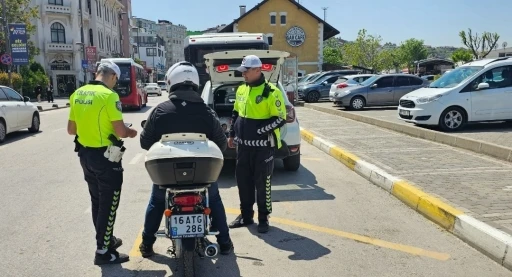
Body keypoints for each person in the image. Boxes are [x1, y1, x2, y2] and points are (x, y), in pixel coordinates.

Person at [138, 61, 234, 257]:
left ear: (171, 82)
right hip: (202, 173)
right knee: (213, 199)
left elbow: (145, 142)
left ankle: (147, 244)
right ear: (195, 83)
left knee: (157, 200)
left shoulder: (160, 110)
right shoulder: (207, 112)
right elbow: (222, 144)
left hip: (167, 175)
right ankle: (224, 242)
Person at [67, 60, 138, 265]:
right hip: (106, 158)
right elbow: (121, 131)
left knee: (97, 201)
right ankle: (103, 252)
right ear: (113, 77)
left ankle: (105, 241)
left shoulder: (77, 94)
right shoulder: (109, 96)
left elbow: (71, 130)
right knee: (109, 203)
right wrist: (131, 132)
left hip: (85, 156)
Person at [227, 55, 287, 233]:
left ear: (257, 70)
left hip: (263, 148)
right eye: (242, 71)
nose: (243, 74)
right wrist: (232, 134)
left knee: (263, 184)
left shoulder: (271, 91)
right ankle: (246, 216)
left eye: (246, 71)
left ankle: (263, 219)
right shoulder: (241, 90)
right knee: (243, 183)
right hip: (243, 148)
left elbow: (280, 118)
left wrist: (259, 130)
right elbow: (235, 113)